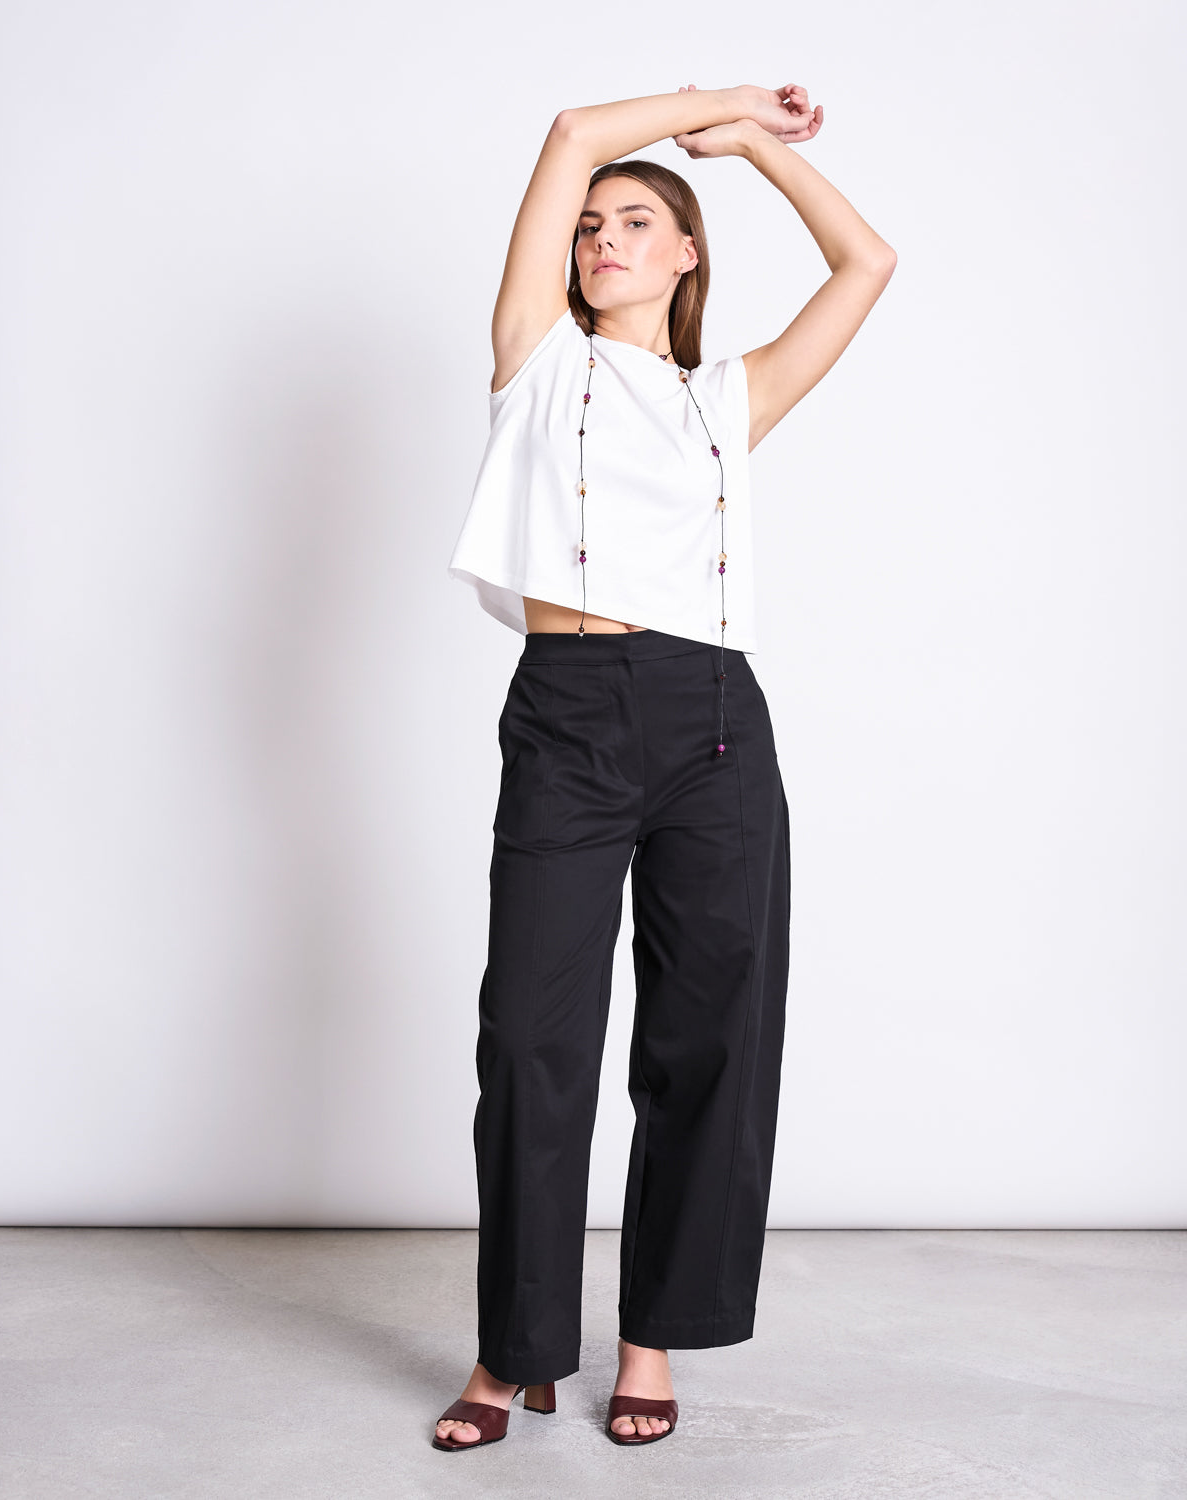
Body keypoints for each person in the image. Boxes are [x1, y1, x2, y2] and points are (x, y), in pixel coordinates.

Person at [434, 81, 895, 1453]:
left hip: (710, 725)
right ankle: (514, 1351)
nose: (602, 237)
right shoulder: (536, 363)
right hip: (568, 713)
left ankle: (650, 1343)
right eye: (589, 228)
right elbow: (573, 126)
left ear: (688, 253)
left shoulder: (726, 401)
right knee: (532, 1036)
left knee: (707, 1043)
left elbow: (867, 262)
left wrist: (753, 151)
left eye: (636, 221)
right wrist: (718, 98)